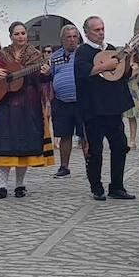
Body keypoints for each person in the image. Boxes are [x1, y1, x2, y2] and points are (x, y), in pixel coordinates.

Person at [0, 21, 52, 199]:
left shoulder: (35, 55)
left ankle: (20, 185)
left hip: (29, 104)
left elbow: (41, 80)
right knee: (4, 144)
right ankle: (1, 185)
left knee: (24, 145)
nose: (21, 37)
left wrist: (45, 73)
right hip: (6, 103)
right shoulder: (3, 54)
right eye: (17, 34)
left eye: (23, 33)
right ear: (10, 36)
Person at [75, 14, 136, 202]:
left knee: (120, 146)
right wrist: (105, 66)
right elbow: (83, 72)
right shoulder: (82, 52)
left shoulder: (110, 49)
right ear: (87, 33)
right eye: (96, 30)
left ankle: (117, 186)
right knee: (95, 150)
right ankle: (97, 187)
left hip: (113, 108)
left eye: (102, 29)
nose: (101, 33)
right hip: (93, 110)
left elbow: (120, 74)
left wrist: (128, 62)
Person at [47, 25, 84, 176]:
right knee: (64, 135)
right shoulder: (54, 57)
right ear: (62, 40)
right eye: (68, 37)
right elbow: (51, 77)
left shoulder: (83, 54)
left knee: (85, 135)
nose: (72, 40)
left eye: (75, 37)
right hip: (61, 101)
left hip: (82, 101)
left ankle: (90, 164)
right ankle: (64, 167)